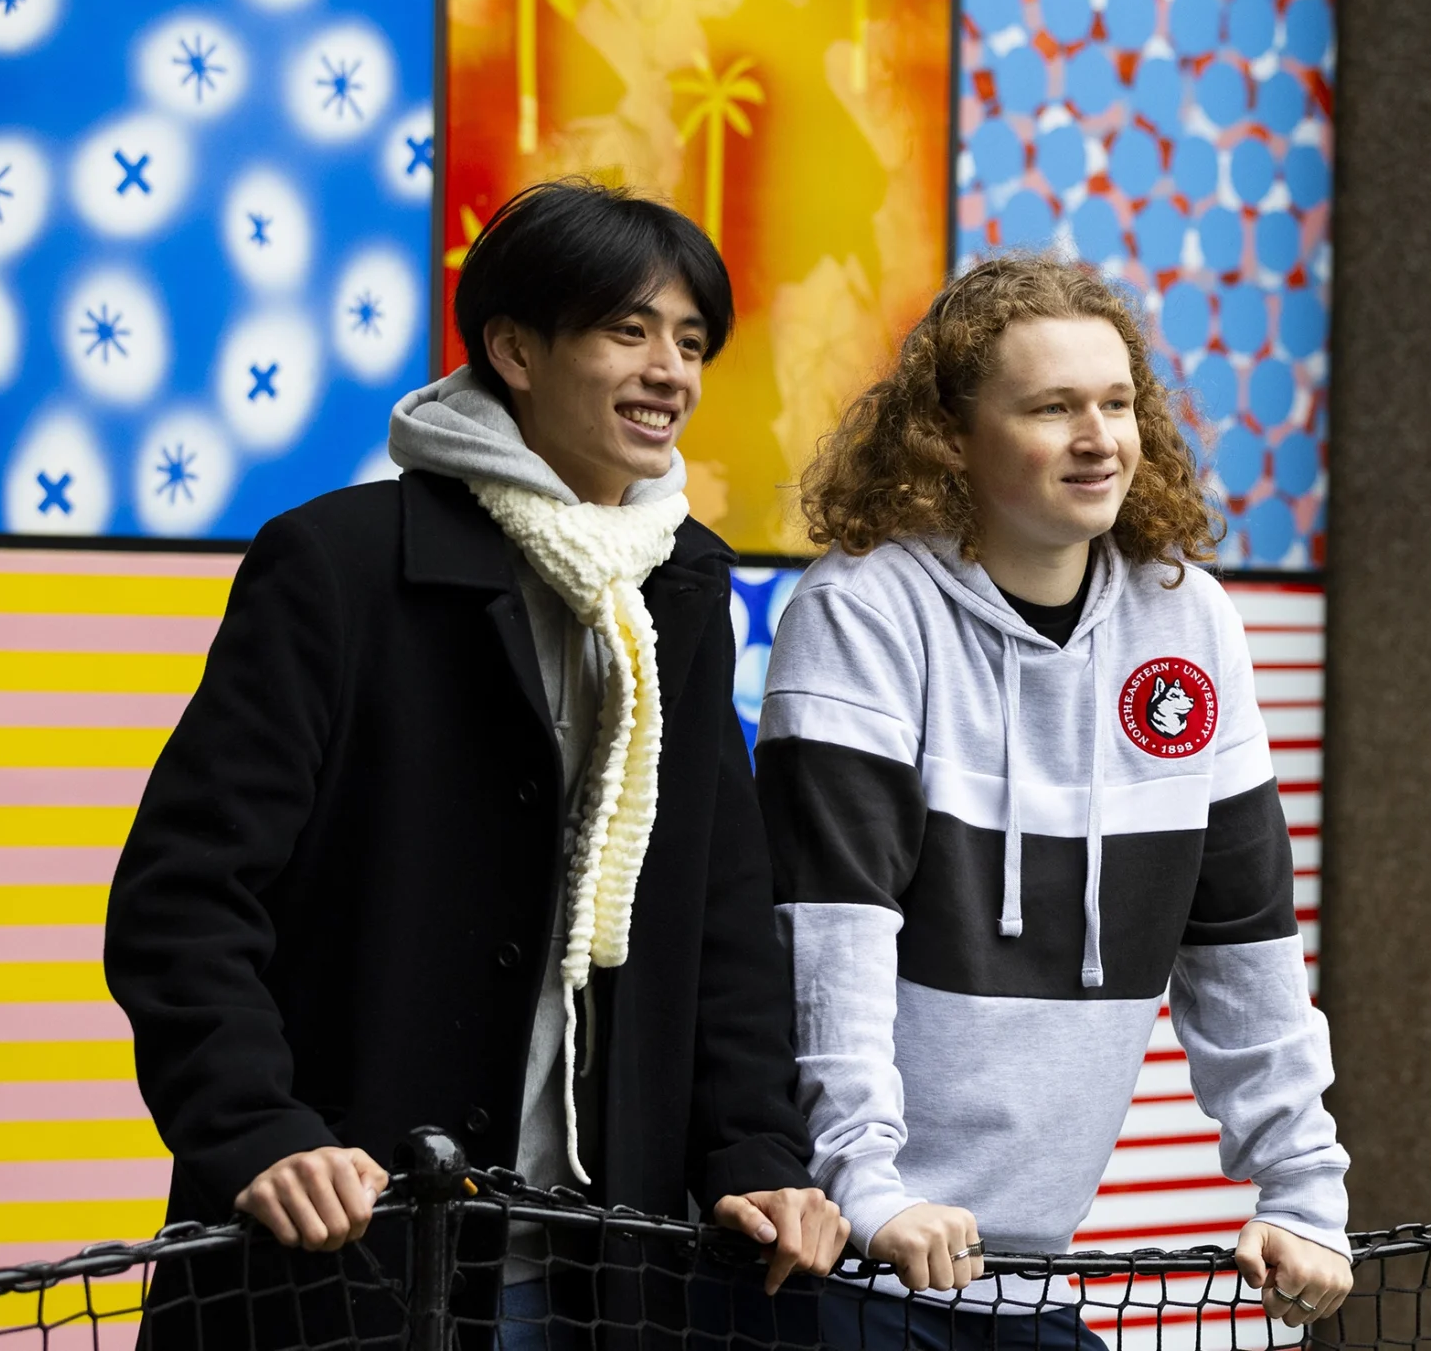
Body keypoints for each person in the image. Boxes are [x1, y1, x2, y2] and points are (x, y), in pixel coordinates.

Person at [105, 179, 849, 1344]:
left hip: (608, 1266)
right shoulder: (336, 567)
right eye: (628, 329)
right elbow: (186, 896)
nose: (671, 372)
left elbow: (718, 917)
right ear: (511, 347)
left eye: (692, 341)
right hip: (354, 1251)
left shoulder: (683, 587)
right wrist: (257, 1129)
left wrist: (752, 1150)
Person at [756, 255, 1356, 1349]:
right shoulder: (860, 615)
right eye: (1052, 407)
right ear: (952, 435)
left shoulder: (1191, 623)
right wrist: (869, 1186)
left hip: (1028, 1279)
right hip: (836, 1272)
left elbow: (1246, 947)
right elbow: (830, 941)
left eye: (1118, 403)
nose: (1100, 438)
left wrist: (1303, 1193)